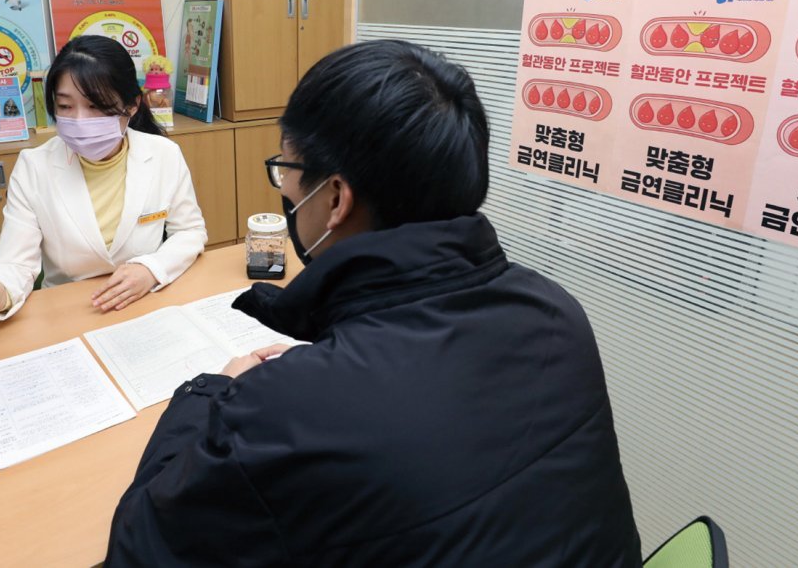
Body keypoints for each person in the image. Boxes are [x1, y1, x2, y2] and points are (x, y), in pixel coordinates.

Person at [104, 40, 640, 565]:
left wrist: (213, 394)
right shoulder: (555, 312)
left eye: (286, 168)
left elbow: (138, 544)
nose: (286, 188)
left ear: (335, 199)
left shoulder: (289, 409)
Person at [0, 35, 207, 323]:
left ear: (131, 106)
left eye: (96, 106)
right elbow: (15, 261)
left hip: (146, 301)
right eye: (66, 107)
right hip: (69, 312)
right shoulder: (34, 167)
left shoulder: (163, 154)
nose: (80, 121)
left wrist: (151, 268)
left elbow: (190, 232)